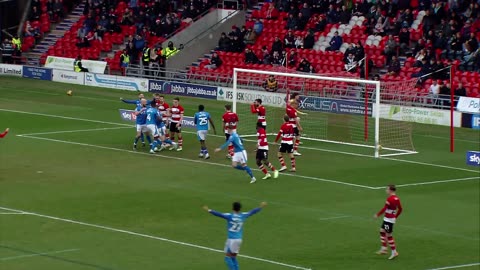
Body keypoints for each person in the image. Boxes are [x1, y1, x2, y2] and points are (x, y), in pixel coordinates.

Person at [203, 201, 267, 270]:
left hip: (231, 240)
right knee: (233, 257)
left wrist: (209, 210)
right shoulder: (243, 215)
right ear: (240, 209)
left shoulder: (230, 216)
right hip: (239, 239)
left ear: (232, 208)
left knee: (227, 257)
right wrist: (261, 207)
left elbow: (219, 214)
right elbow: (252, 212)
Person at [374, 184, 403, 260]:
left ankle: (394, 252)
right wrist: (395, 217)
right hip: (389, 219)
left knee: (389, 235)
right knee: (382, 231)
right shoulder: (397, 198)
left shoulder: (390, 199)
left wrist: (377, 215)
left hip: (388, 220)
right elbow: (400, 209)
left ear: (391, 190)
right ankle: (384, 248)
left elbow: (384, 208)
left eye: (387, 189)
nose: (386, 190)